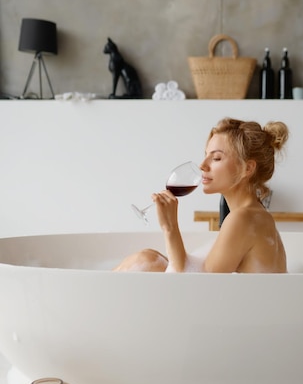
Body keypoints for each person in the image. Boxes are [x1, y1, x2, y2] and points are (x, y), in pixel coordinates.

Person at [113, 117, 289, 273]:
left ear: (248, 168)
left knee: (145, 260)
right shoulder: (255, 215)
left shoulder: (243, 218)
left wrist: (170, 226)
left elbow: (200, 287)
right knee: (148, 258)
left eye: (217, 158)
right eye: (205, 156)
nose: (202, 165)